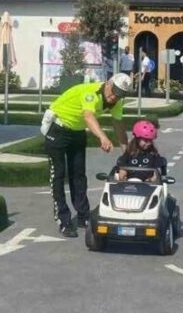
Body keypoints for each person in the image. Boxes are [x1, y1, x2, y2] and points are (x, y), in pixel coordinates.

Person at [42, 73, 132, 237]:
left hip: (77, 131)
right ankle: (63, 219)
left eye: (119, 95)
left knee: (79, 174)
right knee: (58, 175)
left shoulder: (116, 101)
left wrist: (127, 156)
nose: (113, 97)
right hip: (58, 127)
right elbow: (89, 117)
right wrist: (103, 137)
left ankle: (83, 215)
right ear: (107, 84)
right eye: (113, 92)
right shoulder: (91, 92)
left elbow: (119, 126)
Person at [111, 120, 183, 237]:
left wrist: (153, 178)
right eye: (145, 140)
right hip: (128, 186)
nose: (148, 143)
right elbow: (121, 167)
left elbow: (158, 169)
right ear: (137, 139)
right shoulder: (128, 154)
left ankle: (163, 223)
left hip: (147, 186)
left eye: (150, 141)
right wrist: (122, 174)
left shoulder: (153, 155)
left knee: (169, 201)